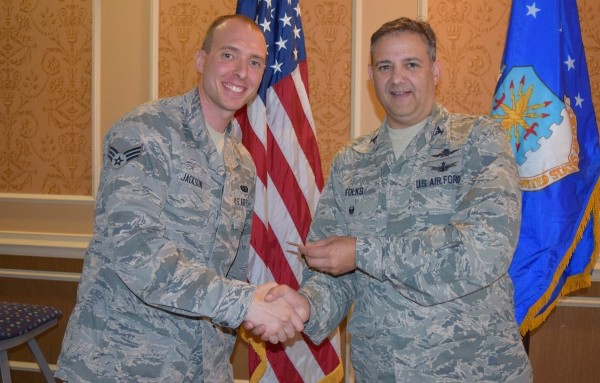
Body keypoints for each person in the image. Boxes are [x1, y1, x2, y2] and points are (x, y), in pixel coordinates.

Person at [249, 17, 533, 382]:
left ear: (435, 70)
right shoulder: (351, 161)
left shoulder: (479, 141)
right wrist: (306, 304)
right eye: (385, 67)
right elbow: (331, 269)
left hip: (473, 371)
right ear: (371, 75)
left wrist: (363, 252)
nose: (397, 78)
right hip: (381, 373)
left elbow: (483, 249)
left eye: (411, 65)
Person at [55, 15, 305, 383]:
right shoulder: (146, 131)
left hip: (202, 367)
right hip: (119, 365)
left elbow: (231, 266)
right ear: (201, 60)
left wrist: (256, 303)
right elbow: (135, 251)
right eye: (229, 55)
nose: (241, 72)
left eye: (254, 63)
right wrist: (243, 303)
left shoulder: (241, 163)